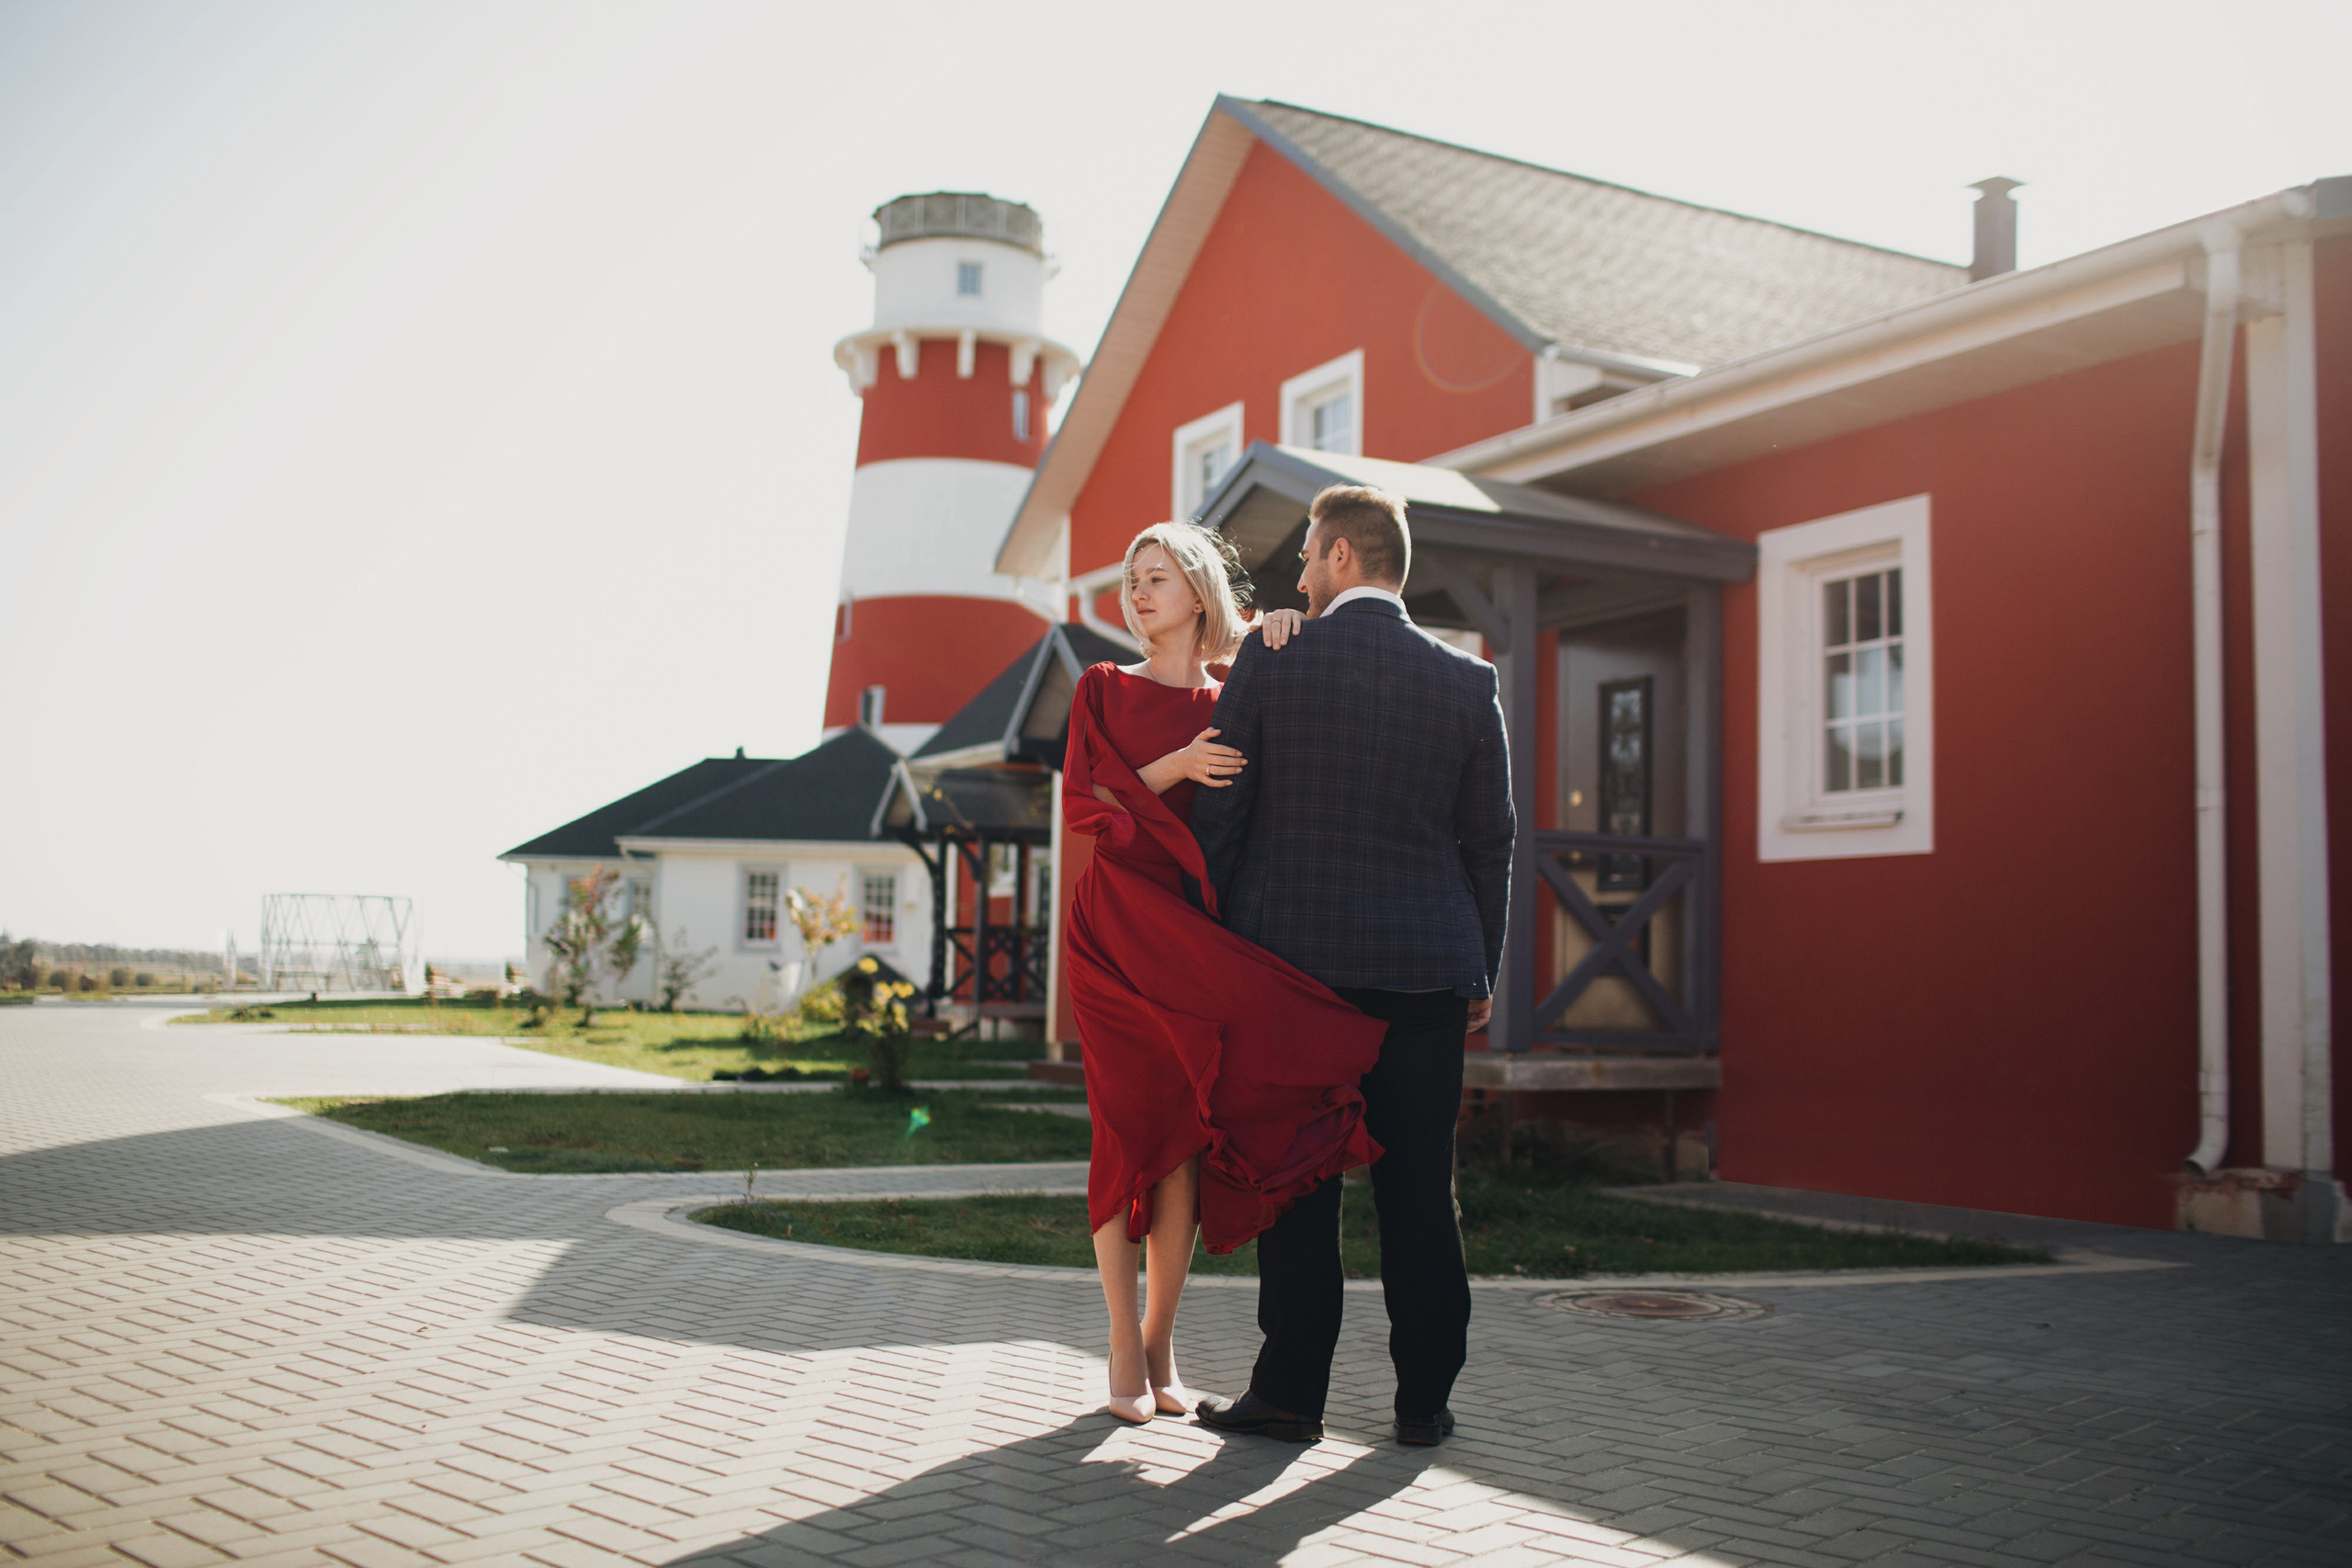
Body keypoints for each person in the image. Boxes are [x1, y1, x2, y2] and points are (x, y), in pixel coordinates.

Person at [1189, 483, 1514, 1450]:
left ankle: (1290, 1396)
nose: (1298, 577)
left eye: (1305, 557)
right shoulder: (1468, 682)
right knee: (1419, 1186)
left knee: (1297, 1182)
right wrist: (1480, 970)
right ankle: (1423, 1403)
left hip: (1292, 971)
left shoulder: (1274, 660)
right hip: (1427, 969)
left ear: (1339, 556)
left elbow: (1222, 814)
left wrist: (1218, 949)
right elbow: (1489, 843)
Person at [1060, 523, 1388, 1427]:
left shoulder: (1235, 691)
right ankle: (1120, 1343)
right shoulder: (1103, 685)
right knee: (1125, 1131)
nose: (1138, 593)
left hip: (1194, 930)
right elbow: (1088, 802)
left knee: (1183, 1142)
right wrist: (1179, 764)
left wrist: (1287, 624)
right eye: (1132, 579)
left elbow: (1299, 735)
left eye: (1157, 577)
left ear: (1198, 591)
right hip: (1114, 930)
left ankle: (1161, 1340)